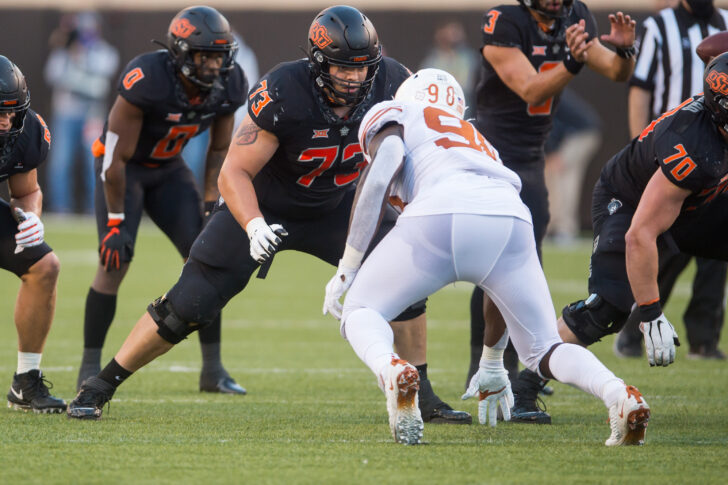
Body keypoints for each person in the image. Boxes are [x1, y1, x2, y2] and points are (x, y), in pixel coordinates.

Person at [67, 5, 470, 425]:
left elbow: (418, 147)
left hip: (337, 206)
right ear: (317, 63)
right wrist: (254, 224)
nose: (354, 78)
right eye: (342, 68)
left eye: (362, 68)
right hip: (267, 207)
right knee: (187, 305)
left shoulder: (392, 80)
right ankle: (101, 385)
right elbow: (234, 171)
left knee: (405, 276)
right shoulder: (283, 89)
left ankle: (422, 394)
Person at [322, 68, 650, 446]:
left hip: (438, 213)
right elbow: (495, 284)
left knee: (360, 311)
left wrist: (349, 264)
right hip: (509, 216)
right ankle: (618, 395)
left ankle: (392, 368)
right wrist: (492, 362)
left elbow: (382, 171)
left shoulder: (397, 112)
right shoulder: (476, 139)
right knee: (544, 348)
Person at [467, 0, 637, 424]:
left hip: (530, 159)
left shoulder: (575, 16)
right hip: (489, 157)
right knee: (498, 267)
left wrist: (624, 52)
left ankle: (513, 375)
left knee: (524, 268)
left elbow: (615, 71)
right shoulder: (505, 20)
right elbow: (530, 87)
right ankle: (488, 369)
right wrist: (573, 63)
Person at [75, 6, 248, 394]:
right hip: (124, 171)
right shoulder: (148, 78)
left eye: (220, 56)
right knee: (114, 262)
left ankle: (213, 370)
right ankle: (88, 367)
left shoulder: (230, 83)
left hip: (168, 170)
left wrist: (209, 204)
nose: (214, 65)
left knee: (208, 258)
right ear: (182, 54)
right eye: (205, 56)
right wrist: (116, 221)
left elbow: (219, 152)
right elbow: (114, 157)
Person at [555, 52, 728, 370]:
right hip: (627, 199)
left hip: (689, 204)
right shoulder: (694, 147)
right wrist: (651, 314)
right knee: (609, 307)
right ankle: (529, 375)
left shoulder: (715, 131)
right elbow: (641, 232)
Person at [615, 0, 728, 360]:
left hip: (719, 152)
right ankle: (638, 327)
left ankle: (704, 340)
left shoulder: (723, 19)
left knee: (716, 256)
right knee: (666, 246)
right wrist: (639, 146)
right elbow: (641, 86)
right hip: (676, 149)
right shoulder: (659, 26)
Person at [0, 56, 66, 413]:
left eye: (12, 112)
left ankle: (26, 381)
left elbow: (26, 190)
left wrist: (31, 217)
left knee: (45, 266)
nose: (6, 121)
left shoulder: (25, 131)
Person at [44, 11, 119, 214]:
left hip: (92, 116)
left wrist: (82, 61)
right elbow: (52, 75)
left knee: (93, 162)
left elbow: (100, 85)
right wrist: (69, 50)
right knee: (61, 162)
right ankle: (61, 208)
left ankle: (93, 209)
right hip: (65, 114)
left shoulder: (105, 52)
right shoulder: (63, 53)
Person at [544, 88, 602, 245]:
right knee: (560, 176)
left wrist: (552, 152)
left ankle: (565, 229)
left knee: (565, 176)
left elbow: (546, 122)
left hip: (583, 134)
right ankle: (559, 227)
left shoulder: (545, 92)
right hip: (579, 133)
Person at [419, 20, 479, 113]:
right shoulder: (431, 59)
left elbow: (465, 85)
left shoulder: (469, 57)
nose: (454, 35)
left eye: (457, 31)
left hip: (464, 112)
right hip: (437, 110)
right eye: (450, 31)